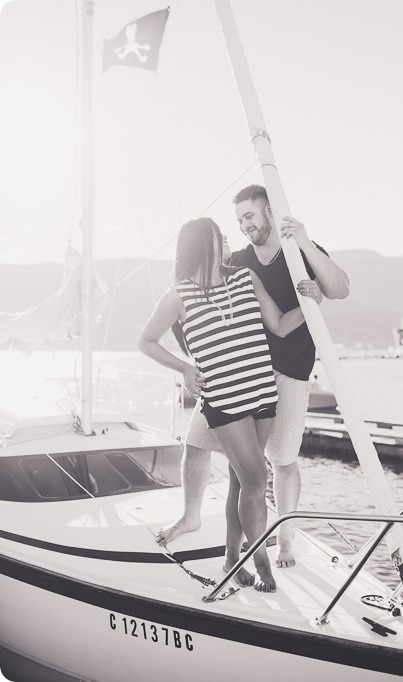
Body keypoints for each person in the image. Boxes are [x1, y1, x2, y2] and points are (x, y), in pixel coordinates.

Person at [156, 186, 350, 570]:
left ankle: (284, 540)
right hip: (238, 375)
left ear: (271, 213)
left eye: (250, 216)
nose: (244, 226)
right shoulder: (238, 261)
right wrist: (191, 363)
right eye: (239, 220)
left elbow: (339, 289)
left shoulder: (299, 254)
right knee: (196, 443)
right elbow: (190, 309)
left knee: (281, 461)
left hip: (290, 373)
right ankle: (193, 517)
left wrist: (307, 246)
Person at [138, 217, 314, 592]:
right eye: (221, 237)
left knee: (240, 482)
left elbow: (280, 325)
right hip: (225, 400)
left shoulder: (244, 278)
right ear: (204, 245)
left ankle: (232, 559)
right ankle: (261, 562)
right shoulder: (178, 295)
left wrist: (312, 303)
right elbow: (147, 341)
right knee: (257, 478)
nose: (228, 240)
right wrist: (185, 368)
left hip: (263, 392)